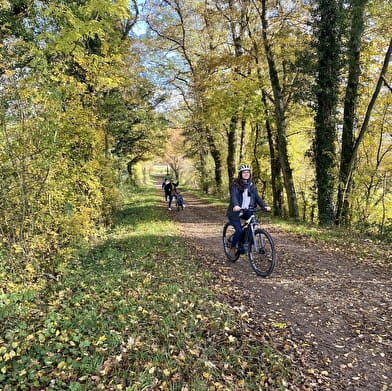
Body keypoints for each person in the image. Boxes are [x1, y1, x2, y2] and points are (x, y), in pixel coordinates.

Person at [226, 164, 271, 259]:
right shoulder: (235, 185)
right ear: (240, 174)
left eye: (248, 172)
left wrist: (264, 206)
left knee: (253, 223)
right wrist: (236, 205)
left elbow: (257, 197)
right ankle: (233, 247)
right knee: (238, 230)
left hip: (247, 210)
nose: (246, 174)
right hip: (235, 211)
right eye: (244, 172)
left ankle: (245, 242)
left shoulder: (251, 185)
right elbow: (233, 196)